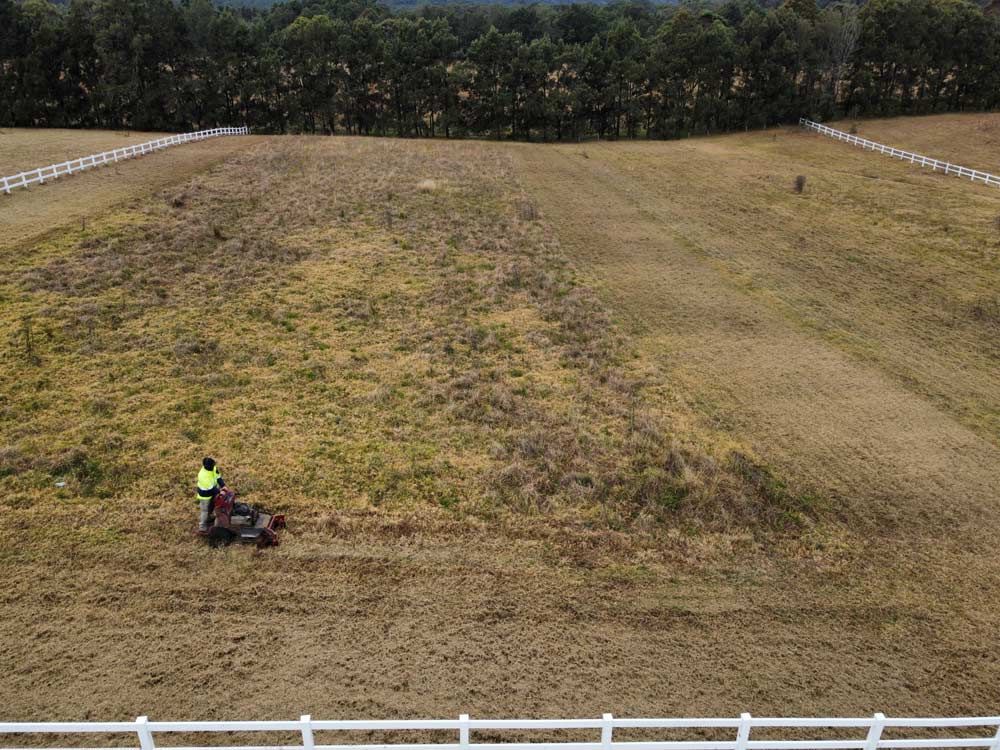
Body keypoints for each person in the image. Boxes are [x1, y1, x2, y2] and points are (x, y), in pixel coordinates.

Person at [196, 457, 225, 532]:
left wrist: (223, 486)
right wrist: (220, 491)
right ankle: (202, 526)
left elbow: (218, 477)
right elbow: (211, 488)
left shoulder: (213, 468)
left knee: (212, 506)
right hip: (205, 495)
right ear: (207, 466)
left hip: (213, 492)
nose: (213, 466)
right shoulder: (202, 475)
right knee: (205, 511)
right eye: (212, 465)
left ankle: (208, 518)